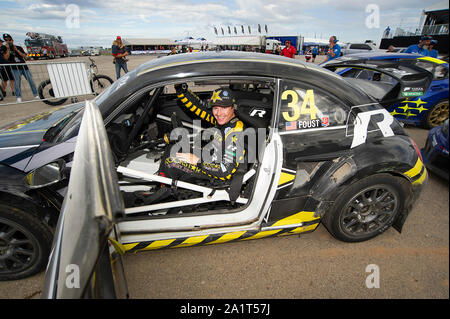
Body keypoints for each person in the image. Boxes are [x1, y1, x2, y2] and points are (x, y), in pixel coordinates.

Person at [158, 84, 246, 185]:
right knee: (172, 148)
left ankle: (165, 191)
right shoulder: (222, 120)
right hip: (209, 159)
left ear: (232, 108)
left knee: (171, 162)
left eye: (224, 108)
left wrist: (197, 161)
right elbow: (199, 106)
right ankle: (162, 185)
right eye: (215, 108)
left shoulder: (236, 132)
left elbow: (225, 170)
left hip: (216, 175)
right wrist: (181, 90)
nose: (219, 113)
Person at [3, 34, 38, 103]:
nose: (8, 41)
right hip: (15, 68)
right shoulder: (4, 48)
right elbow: (6, 58)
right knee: (17, 84)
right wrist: (8, 49)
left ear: (12, 40)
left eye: (9, 40)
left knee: (31, 81)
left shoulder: (18, 47)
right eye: (6, 40)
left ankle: (36, 95)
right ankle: (19, 97)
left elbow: (25, 57)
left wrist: (17, 50)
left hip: (24, 67)